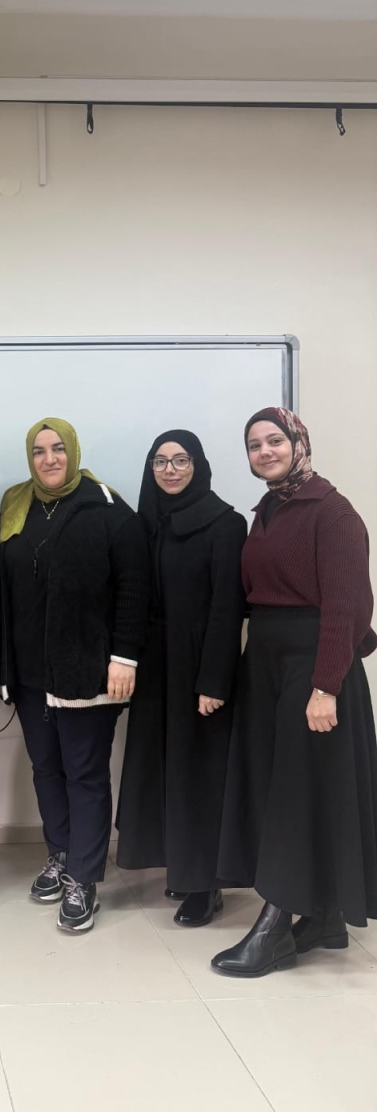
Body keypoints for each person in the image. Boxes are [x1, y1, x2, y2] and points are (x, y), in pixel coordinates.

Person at [212, 407, 377, 976]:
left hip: (314, 668)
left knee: (294, 794)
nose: (265, 452)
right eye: (254, 444)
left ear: (298, 442)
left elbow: (346, 607)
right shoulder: (267, 510)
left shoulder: (333, 512)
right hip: (268, 663)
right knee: (284, 786)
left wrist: (325, 685)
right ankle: (324, 917)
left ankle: (274, 928)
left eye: (274, 441)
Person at [0, 418, 149, 934]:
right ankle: (60, 855)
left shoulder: (107, 508)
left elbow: (134, 587)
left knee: (84, 773)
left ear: (74, 452)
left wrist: (124, 657)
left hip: (86, 671)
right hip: (29, 673)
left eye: (58, 448)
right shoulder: (16, 505)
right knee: (46, 769)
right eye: (39, 451)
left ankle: (84, 879)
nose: (49, 459)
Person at [115, 430, 246, 927]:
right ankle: (180, 865)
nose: (169, 470)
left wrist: (214, 680)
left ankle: (205, 884)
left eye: (181, 460)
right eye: (160, 462)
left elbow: (227, 607)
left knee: (199, 773)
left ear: (198, 465)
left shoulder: (225, 523)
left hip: (198, 663)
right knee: (161, 768)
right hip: (154, 664)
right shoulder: (146, 521)